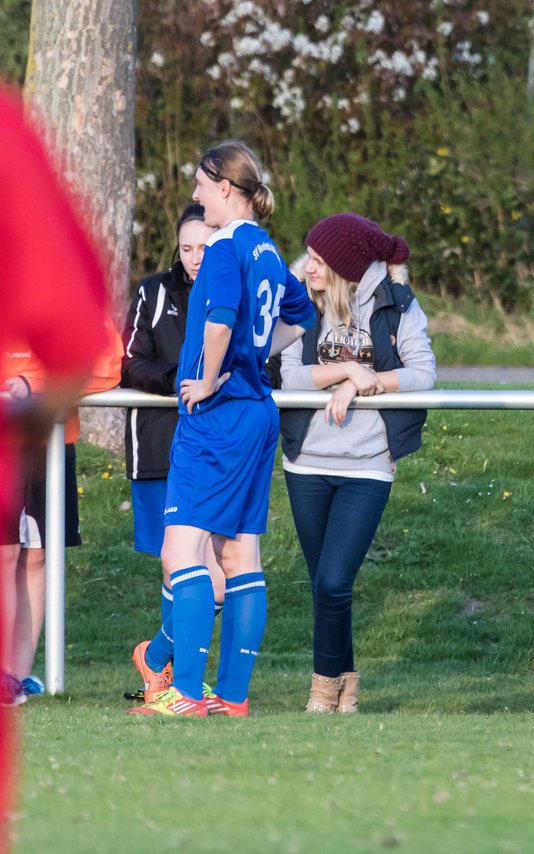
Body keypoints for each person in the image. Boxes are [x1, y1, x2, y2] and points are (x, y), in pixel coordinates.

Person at [129, 140, 314, 717]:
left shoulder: (225, 248)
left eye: (201, 185)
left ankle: (183, 695)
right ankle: (232, 698)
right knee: (239, 557)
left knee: (182, 550)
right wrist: (253, 359)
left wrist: (210, 378)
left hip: (217, 415)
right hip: (257, 411)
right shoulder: (265, 248)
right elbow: (299, 315)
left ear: (226, 188)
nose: (194, 194)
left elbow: (218, 321)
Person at [0, 82, 111, 836]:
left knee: (30, 561)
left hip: (41, 447)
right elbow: (77, 333)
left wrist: (33, 412)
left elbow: (89, 349)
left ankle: (17, 674)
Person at [278, 213, 436, 713]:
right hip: (306, 464)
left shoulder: (396, 305)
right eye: (309, 257)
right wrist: (345, 368)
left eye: (320, 262)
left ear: (347, 270)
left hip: (367, 464)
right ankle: (347, 684)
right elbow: (289, 377)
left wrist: (362, 383)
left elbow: (423, 375)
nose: (309, 268)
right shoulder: (301, 305)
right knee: (326, 585)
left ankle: (323, 688)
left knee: (332, 582)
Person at [120, 204, 227, 703]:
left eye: (204, 247)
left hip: (218, 447)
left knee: (218, 577)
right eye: (187, 248)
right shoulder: (152, 292)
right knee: (177, 565)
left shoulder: (233, 287)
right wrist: (180, 382)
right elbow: (131, 363)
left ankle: (161, 659)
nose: (195, 257)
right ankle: (177, 680)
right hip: (161, 444)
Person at [3, 316, 121, 703]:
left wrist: (35, 386)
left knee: (37, 558)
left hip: (52, 442)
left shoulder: (66, 298)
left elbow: (107, 366)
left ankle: (18, 675)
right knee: (5, 555)